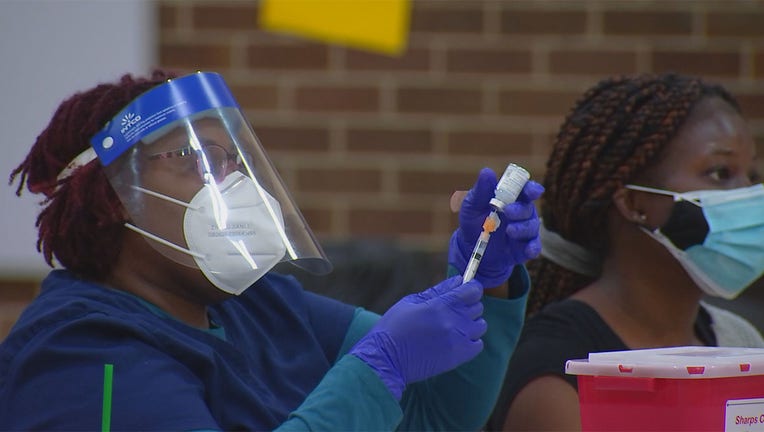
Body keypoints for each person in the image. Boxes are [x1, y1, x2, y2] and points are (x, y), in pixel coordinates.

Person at [0, 70, 544, 431]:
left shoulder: (261, 304)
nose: (234, 186)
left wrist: (486, 281)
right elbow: (385, 378)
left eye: (233, 161)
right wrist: (377, 367)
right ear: (117, 196)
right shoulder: (84, 353)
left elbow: (435, 415)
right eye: (200, 162)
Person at [485, 73, 764, 431]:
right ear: (635, 202)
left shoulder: (739, 341)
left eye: (751, 176)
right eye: (720, 173)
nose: (748, 196)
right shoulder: (557, 373)